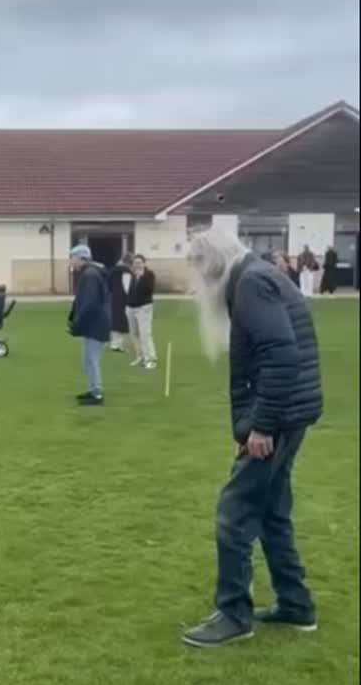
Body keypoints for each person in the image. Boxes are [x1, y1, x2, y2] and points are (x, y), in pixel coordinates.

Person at [183, 228, 322, 648]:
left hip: (279, 417)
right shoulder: (258, 276)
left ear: (213, 263)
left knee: (235, 511)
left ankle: (233, 614)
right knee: (273, 509)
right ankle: (295, 605)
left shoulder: (251, 283)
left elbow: (281, 353)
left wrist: (261, 426)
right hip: (289, 411)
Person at [68, 244, 111, 406]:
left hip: (96, 324)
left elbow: (89, 302)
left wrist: (78, 322)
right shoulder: (89, 273)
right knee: (88, 360)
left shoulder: (90, 275)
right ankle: (93, 390)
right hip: (95, 323)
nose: (71, 262)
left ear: (82, 258)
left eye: (73, 258)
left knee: (92, 360)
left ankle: (97, 394)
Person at [126, 254, 157, 369]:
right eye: (135, 263)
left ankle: (150, 359)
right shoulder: (131, 275)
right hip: (130, 308)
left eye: (139, 262)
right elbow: (128, 290)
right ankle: (140, 356)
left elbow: (149, 290)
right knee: (134, 334)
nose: (137, 265)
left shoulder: (149, 275)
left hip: (144, 308)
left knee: (145, 333)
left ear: (144, 263)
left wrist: (142, 277)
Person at [108, 254, 133, 351]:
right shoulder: (126, 272)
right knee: (122, 322)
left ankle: (114, 344)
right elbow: (127, 289)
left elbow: (108, 284)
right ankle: (117, 345)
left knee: (115, 321)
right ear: (128, 263)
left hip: (114, 298)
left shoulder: (113, 271)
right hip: (124, 299)